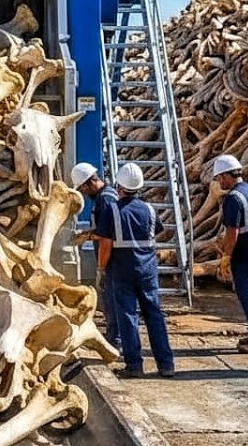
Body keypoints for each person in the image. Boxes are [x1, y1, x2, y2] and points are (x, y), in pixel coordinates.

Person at [96, 161, 176, 378]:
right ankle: (166, 364)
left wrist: (101, 268)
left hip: (122, 269)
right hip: (147, 269)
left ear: (119, 186)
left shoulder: (112, 210)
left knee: (128, 315)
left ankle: (134, 365)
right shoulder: (149, 209)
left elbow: (105, 244)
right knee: (154, 314)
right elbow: (156, 231)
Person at [211, 154, 248, 354]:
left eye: (219, 179)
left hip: (246, 253)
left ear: (226, 176)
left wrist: (226, 255)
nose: (219, 183)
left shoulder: (233, 198)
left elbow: (232, 231)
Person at [70, 162, 121, 350]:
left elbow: (107, 237)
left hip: (113, 258)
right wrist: (88, 234)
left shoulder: (105, 199)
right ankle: (115, 337)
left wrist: (101, 267)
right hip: (111, 256)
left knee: (112, 300)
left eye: (83, 188)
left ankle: (115, 341)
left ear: (90, 182)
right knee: (111, 299)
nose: (83, 193)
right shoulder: (105, 196)